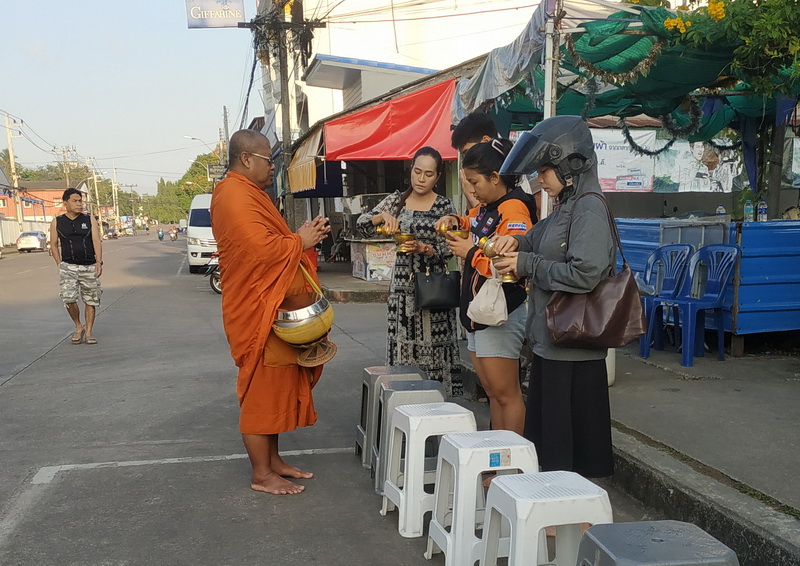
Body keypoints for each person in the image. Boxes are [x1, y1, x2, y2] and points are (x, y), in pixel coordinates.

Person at [493, 115, 615, 478]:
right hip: (553, 344)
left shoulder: (589, 207)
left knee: (567, 456)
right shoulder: (566, 206)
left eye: (545, 170)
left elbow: (586, 273)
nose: (540, 178)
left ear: (571, 165)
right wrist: (515, 242)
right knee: (552, 451)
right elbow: (537, 238)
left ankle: (570, 508)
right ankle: (557, 504)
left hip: (572, 352)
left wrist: (526, 263)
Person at [211, 129, 331, 495]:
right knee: (261, 394)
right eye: (269, 160)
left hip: (273, 306)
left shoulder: (251, 194)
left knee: (278, 386)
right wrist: (300, 241)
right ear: (246, 159)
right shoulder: (232, 194)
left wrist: (298, 237)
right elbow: (259, 252)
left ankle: (273, 461)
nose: (273, 167)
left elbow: (268, 243)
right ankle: (261, 474)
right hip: (257, 311)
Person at [438, 139, 536, 435]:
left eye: (474, 182)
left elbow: (510, 265)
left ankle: (512, 457)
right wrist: (454, 219)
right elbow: (472, 221)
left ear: (495, 177)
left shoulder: (514, 209)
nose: (472, 190)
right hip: (479, 313)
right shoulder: (488, 207)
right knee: (493, 393)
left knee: (507, 395)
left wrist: (470, 253)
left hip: (500, 312)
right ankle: (498, 452)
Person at [356, 147, 462, 396]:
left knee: (436, 352)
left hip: (434, 291)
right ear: (411, 170)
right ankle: (403, 405)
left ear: (437, 177)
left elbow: (450, 248)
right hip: (402, 294)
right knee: (402, 350)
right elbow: (361, 226)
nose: (421, 179)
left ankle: (437, 405)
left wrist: (424, 249)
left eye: (428, 174)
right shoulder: (396, 201)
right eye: (417, 171)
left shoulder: (444, 206)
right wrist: (381, 217)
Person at [49, 188, 103, 345]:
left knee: (91, 300)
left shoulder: (89, 219)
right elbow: (53, 244)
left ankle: (89, 332)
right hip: (68, 267)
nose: (79, 204)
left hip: (89, 266)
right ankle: (79, 326)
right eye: (75, 201)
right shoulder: (57, 221)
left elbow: (96, 241)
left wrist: (99, 262)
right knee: (69, 299)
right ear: (65, 203)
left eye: (80, 201)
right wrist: (59, 264)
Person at [451, 112, 501, 209]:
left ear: (486, 141)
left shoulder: (509, 174)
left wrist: (471, 195)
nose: (467, 159)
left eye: (468, 152)